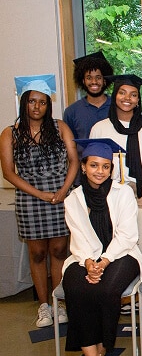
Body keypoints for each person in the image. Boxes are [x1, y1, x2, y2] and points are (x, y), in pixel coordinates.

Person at [61, 139, 142, 356]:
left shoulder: (123, 194)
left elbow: (128, 235)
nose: (100, 171)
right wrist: (89, 262)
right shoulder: (73, 199)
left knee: (106, 290)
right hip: (83, 255)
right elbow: (77, 236)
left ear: (111, 169)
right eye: (94, 165)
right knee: (75, 287)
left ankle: (100, 351)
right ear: (84, 167)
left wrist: (104, 260)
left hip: (122, 255)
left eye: (106, 166)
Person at [0, 75, 79, 327]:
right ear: (24, 103)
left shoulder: (60, 127)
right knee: (37, 253)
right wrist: (40, 194)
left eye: (42, 102)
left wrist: (63, 190)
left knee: (59, 250)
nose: (37, 107)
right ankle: (43, 306)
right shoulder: (9, 134)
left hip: (59, 196)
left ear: (48, 105)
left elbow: (74, 161)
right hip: (29, 199)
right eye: (32, 101)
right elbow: (8, 173)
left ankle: (60, 303)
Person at [90, 74, 142, 261]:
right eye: (122, 93)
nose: (127, 98)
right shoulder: (100, 128)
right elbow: (93, 164)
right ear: (114, 96)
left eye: (133, 95)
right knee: (114, 239)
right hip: (111, 191)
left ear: (138, 100)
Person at [63, 51, 114, 140]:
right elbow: (70, 144)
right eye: (89, 78)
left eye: (98, 77)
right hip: (83, 154)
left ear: (105, 80)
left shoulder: (117, 107)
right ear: (83, 81)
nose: (94, 82)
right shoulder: (71, 112)